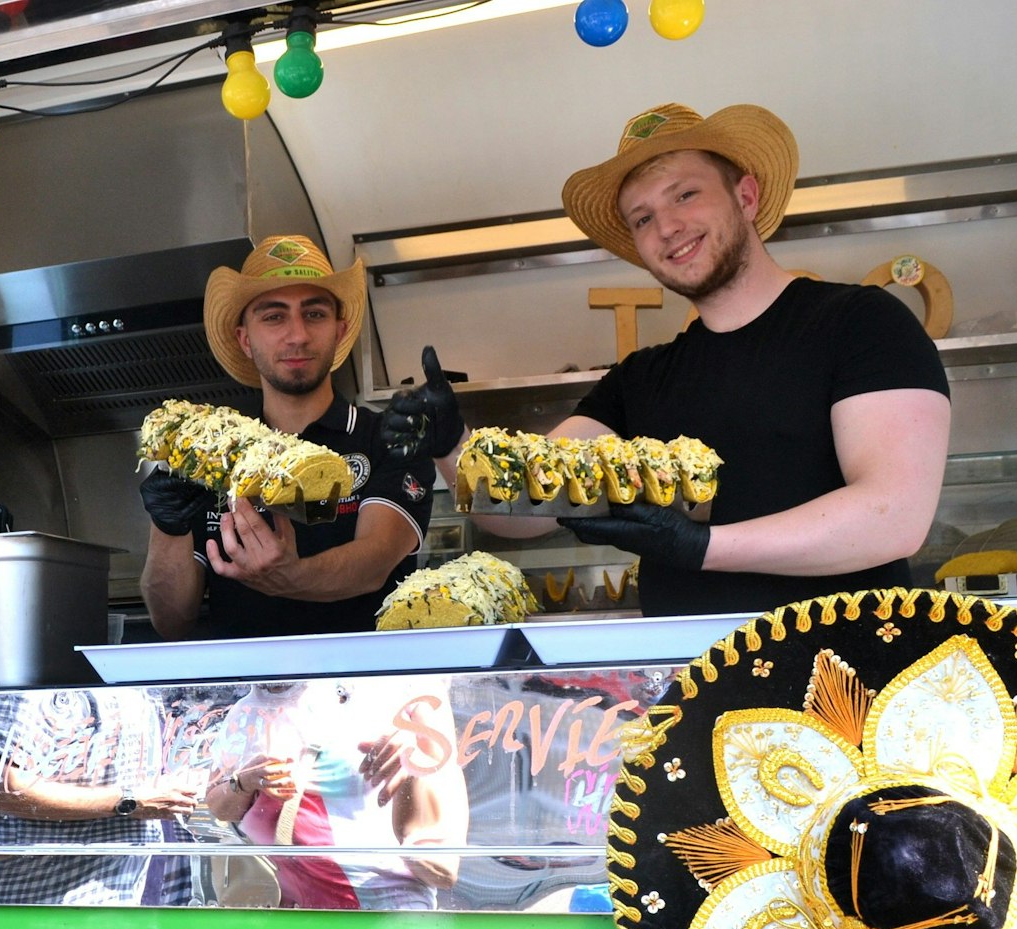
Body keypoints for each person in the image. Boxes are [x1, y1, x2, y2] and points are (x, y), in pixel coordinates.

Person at [383, 104, 951, 617]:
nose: (667, 227)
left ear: (746, 197)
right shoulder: (639, 378)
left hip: (840, 687)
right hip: (686, 691)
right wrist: (453, 445)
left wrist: (704, 549)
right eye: (642, 218)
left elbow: (894, 516)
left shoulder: (861, 322)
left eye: (685, 194)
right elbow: (522, 511)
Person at [140, 235, 436, 639]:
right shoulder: (209, 453)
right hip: (242, 693)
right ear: (244, 339)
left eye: (314, 314)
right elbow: (171, 620)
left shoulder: (390, 439)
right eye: (274, 316)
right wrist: (167, 525)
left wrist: (290, 576)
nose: (297, 335)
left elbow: (374, 563)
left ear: (339, 329)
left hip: (369, 688)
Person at [202, 679, 467, 910]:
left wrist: (410, 759)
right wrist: (243, 783)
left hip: (385, 906)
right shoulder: (247, 711)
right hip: (294, 910)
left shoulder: (392, 689)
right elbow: (219, 806)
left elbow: (440, 768)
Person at [0, 689, 200, 905]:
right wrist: (128, 801)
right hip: (25, 907)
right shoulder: (20, 676)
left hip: (116, 899)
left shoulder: (130, 677)